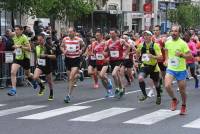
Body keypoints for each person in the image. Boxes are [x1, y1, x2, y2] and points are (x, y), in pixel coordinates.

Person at [164, 25, 192, 115]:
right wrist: (166, 60)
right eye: (172, 31)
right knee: (167, 85)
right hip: (171, 68)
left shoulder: (183, 43)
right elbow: (166, 53)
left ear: (179, 33)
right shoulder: (168, 42)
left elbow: (190, 56)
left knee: (182, 90)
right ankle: (174, 99)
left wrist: (181, 55)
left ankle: (183, 105)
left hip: (181, 69)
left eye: (176, 31)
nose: (173, 33)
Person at [7, 25, 35, 96]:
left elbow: (29, 49)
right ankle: (14, 89)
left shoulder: (24, 38)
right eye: (15, 29)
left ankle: (34, 80)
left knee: (28, 74)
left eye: (17, 30)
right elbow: (11, 43)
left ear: (21, 31)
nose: (16, 31)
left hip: (25, 58)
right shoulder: (14, 36)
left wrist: (20, 46)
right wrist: (14, 46)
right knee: (13, 72)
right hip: (18, 58)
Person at [136, 30, 162, 105]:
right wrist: (137, 59)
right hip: (145, 65)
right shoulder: (141, 45)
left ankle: (159, 96)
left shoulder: (155, 45)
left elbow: (160, 57)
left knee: (156, 83)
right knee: (140, 78)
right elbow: (137, 52)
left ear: (151, 36)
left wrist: (152, 56)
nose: (146, 37)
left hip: (154, 66)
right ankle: (144, 95)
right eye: (144, 35)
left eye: (147, 35)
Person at [60, 27, 85, 103]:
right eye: (68, 32)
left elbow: (83, 46)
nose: (69, 33)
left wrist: (81, 50)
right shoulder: (65, 39)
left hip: (76, 59)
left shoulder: (79, 39)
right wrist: (64, 51)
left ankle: (68, 95)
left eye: (70, 32)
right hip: (68, 59)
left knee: (71, 77)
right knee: (70, 78)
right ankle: (80, 74)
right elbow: (61, 46)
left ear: (74, 32)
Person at [107, 29, 130, 99]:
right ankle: (121, 88)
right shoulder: (108, 42)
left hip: (119, 60)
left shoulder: (121, 41)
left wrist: (125, 54)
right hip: (112, 60)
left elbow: (128, 46)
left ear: (116, 34)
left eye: (112, 33)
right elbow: (106, 50)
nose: (111, 35)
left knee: (114, 74)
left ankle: (118, 88)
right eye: (110, 33)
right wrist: (107, 56)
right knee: (117, 75)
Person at [32, 34, 56, 100]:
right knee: (35, 77)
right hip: (40, 65)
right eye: (38, 40)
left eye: (40, 40)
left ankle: (51, 93)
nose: (39, 41)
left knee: (49, 82)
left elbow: (54, 56)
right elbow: (36, 55)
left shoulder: (48, 47)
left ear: (44, 39)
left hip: (47, 66)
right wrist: (36, 62)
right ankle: (42, 86)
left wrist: (46, 55)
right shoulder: (37, 47)